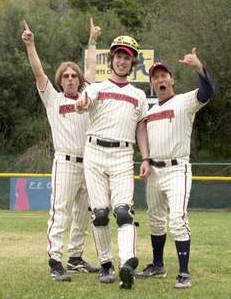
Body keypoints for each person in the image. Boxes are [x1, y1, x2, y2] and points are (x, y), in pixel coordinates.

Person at [21, 18, 101, 282]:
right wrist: (30, 45)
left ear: (79, 80)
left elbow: (91, 65)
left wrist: (92, 41)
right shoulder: (52, 98)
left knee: (84, 213)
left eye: (73, 76)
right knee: (61, 211)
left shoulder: (86, 95)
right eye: (65, 76)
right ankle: (55, 260)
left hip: (89, 162)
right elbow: (38, 73)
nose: (69, 79)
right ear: (60, 80)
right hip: (65, 163)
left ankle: (76, 257)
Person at [75, 36, 150, 289]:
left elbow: (141, 128)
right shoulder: (96, 88)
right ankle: (106, 263)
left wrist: (146, 157)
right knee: (100, 214)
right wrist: (81, 103)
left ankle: (127, 263)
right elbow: (83, 103)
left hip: (123, 155)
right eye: (118, 56)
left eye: (126, 57)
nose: (121, 60)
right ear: (111, 60)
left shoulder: (138, 95)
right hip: (95, 152)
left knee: (123, 212)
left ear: (133, 63)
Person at [137, 48, 215, 288]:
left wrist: (199, 67)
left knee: (177, 219)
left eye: (163, 76)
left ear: (171, 79)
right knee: (155, 220)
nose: (160, 80)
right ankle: (158, 265)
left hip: (177, 168)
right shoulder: (150, 111)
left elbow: (207, 92)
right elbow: (145, 139)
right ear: (151, 84)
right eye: (155, 77)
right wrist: (146, 160)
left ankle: (183, 273)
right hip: (155, 170)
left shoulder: (185, 101)